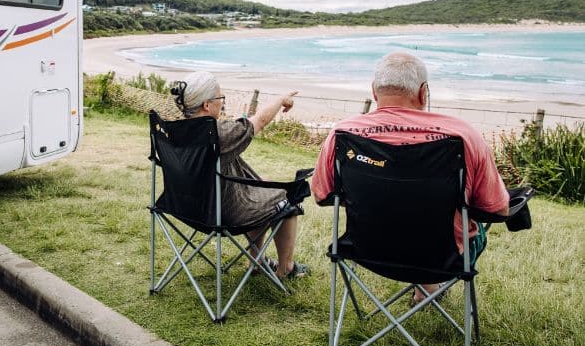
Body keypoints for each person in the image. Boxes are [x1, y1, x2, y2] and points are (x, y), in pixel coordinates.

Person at [311, 52, 509, 302]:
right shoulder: (462, 136)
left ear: (374, 92)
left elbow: (321, 195)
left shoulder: (342, 134)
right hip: (444, 256)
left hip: (367, 249)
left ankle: (425, 291)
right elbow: (498, 209)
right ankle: (426, 290)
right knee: (458, 221)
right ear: (423, 93)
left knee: (401, 207)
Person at [172, 71, 307, 279]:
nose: (222, 103)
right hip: (222, 213)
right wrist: (281, 100)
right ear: (207, 105)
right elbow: (259, 121)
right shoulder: (218, 133)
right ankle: (285, 267)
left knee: (257, 190)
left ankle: (256, 261)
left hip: (187, 209)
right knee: (286, 197)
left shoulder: (176, 131)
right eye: (220, 99)